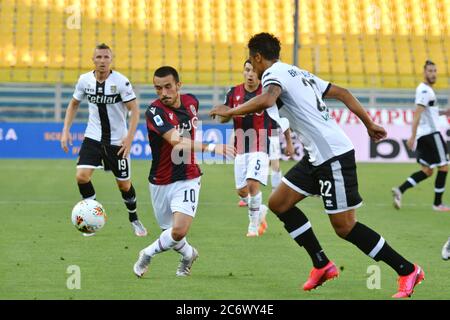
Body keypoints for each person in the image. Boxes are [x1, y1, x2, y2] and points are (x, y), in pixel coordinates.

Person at [210, 33, 424, 298]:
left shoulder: (272, 75)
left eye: (252, 61)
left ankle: (407, 270)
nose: (252, 68)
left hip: (332, 155)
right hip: (316, 156)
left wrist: (230, 110)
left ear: (256, 57)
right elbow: (343, 93)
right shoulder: (299, 73)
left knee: (345, 227)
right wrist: (368, 124)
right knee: (279, 203)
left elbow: (266, 100)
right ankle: (321, 264)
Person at [133, 66, 235, 277]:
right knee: (171, 235)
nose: (163, 93)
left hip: (188, 176)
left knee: (178, 230)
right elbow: (175, 141)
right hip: (160, 180)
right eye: (158, 88)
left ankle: (146, 254)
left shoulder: (192, 102)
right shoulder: (154, 111)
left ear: (179, 85)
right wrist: (211, 147)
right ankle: (189, 255)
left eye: (168, 87)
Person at [61, 43, 147, 237]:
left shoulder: (121, 82)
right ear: (93, 60)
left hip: (117, 141)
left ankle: (134, 218)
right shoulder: (84, 80)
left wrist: (129, 138)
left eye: (106, 57)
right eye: (98, 57)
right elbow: (73, 104)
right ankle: (92, 214)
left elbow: (135, 110)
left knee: (124, 185)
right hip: (92, 137)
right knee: (81, 176)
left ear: (111, 60)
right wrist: (65, 130)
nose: (102, 61)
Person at [220, 60, 294, 237]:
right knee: (242, 191)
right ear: (243, 72)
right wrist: (222, 114)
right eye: (247, 70)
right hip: (241, 145)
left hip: (261, 143)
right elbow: (225, 117)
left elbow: (283, 119)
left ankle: (253, 226)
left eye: (254, 70)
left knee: (253, 184)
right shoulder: (233, 92)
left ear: (259, 73)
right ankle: (259, 209)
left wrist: (289, 142)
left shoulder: (268, 93)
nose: (251, 74)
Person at [392, 60, 450, 211]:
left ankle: (400, 190)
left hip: (424, 135)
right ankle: (437, 204)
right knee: (444, 167)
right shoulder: (425, 91)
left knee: (427, 171)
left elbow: (427, 112)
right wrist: (411, 136)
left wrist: (444, 112)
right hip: (431, 134)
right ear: (424, 72)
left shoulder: (425, 90)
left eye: (435, 71)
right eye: (430, 71)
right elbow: (417, 113)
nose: (433, 74)